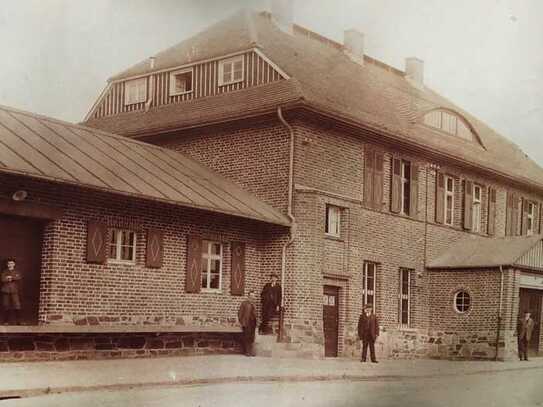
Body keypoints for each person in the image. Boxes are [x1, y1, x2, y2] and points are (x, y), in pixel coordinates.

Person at [1, 258, 22, 325]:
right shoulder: (4, 271)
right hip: (6, 290)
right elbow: (2, 279)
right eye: (9, 263)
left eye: (12, 263)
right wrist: (10, 278)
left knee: (17, 305)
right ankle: (6, 321)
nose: (10, 265)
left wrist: (10, 277)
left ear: (14, 264)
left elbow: (18, 277)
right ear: (7, 264)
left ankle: (18, 321)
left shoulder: (17, 271)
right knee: (6, 305)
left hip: (14, 291)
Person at [238, 290, 257, 356]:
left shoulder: (254, 304)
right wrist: (242, 322)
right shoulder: (244, 303)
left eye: (253, 296)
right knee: (246, 337)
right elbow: (240, 313)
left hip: (253, 323)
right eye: (251, 296)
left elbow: (255, 314)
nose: (252, 297)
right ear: (248, 296)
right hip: (247, 322)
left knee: (252, 337)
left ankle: (251, 352)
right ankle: (247, 351)